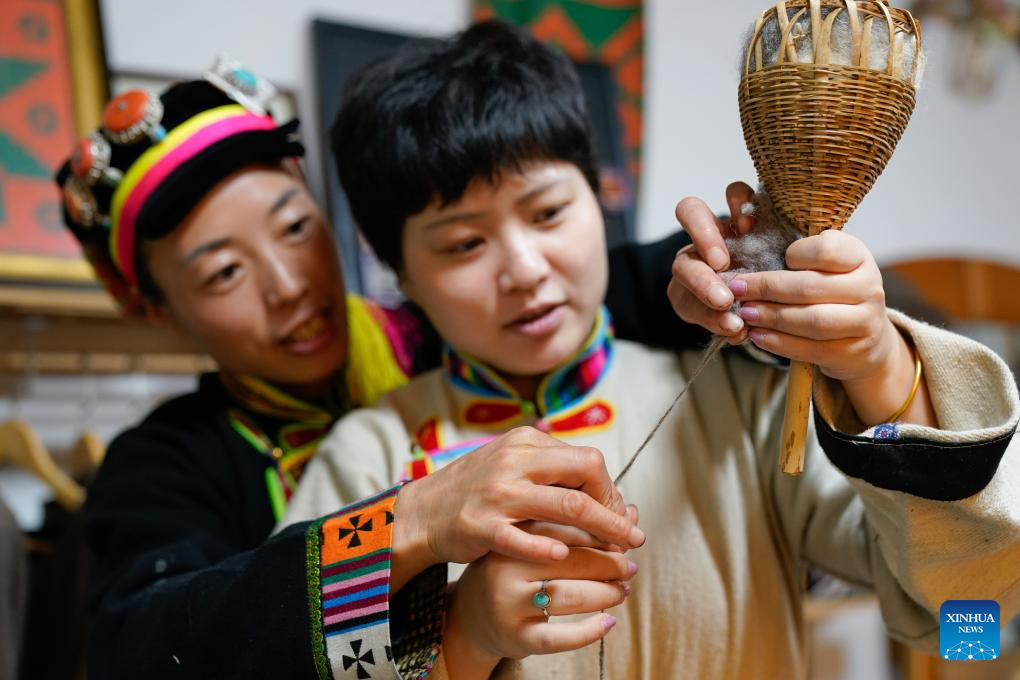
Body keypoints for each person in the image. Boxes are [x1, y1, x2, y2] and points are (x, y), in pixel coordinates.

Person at [281, 20, 1020, 679]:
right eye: (464, 244)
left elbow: (971, 619)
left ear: (602, 198)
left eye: (548, 212)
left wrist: (878, 364)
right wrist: (465, 639)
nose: (525, 270)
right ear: (398, 272)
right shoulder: (369, 459)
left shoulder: (742, 404)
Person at [52, 58, 729, 678]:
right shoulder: (166, 464)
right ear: (157, 312)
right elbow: (139, 649)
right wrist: (410, 522)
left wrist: (731, 270)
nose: (288, 285)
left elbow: (617, 287)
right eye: (225, 272)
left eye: (295, 228)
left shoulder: (459, 328)